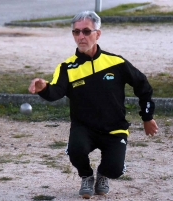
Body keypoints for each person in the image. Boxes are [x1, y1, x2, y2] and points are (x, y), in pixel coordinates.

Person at [28, 11, 158, 199]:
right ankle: (86, 176)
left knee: (115, 170)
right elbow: (55, 92)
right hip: (84, 127)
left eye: (86, 31)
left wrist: (147, 117)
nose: (81, 36)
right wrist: (43, 88)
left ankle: (103, 174)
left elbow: (143, 85)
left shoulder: (116, 62)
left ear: (97, 34)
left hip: (115, 129)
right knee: (75, 150)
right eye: (76, 32)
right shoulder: (67, 67)